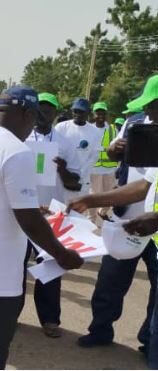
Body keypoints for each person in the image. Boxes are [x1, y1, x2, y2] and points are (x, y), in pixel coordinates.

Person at [0, 86, 83, 369]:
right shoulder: (15, 150)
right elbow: (28, 219)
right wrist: (61, 254)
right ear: (27, 114)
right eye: (34, 120)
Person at [77, 74, 158, 353]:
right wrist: (113, 150)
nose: (147, 111)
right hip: (126, 219)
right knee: (110, 282)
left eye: (153, 105)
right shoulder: (134, 124)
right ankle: (100, 329)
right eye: (147, 105)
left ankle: (150, 340)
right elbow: (140, 183)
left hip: (155, 226)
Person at [22, 92, 82, 338]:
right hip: (22, 211)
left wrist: (63, 169)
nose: (42, 115)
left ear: (56, 114)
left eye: (48, 110)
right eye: (38, 110)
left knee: (50, 267)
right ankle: (9, 314)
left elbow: (75, 184)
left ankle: (49, 319)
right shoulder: (22, 139)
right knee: (14, 266)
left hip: (51, 214)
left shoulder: (65, 143)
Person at [53, 98, 102, 200]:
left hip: (81, 179)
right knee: (58, 209)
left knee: (77, 211)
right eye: (75, 111)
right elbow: (54, 150)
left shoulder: (95, 132)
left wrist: (80, 174)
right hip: (60, 176)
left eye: (81, 112)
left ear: (88, 112)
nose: (78, 114)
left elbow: (94, 156)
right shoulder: (60, 127)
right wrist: (63, 171)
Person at [90, 101, 118, 224]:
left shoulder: (112, 129)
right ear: (93, 114)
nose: (100, 116)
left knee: (110, 196)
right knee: (93, 196)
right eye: (98, 113)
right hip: (94, 168)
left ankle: (102, 212)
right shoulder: (88, 129)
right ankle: (91, 220)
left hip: (109, 168)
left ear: (106, 114)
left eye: (103, 113)